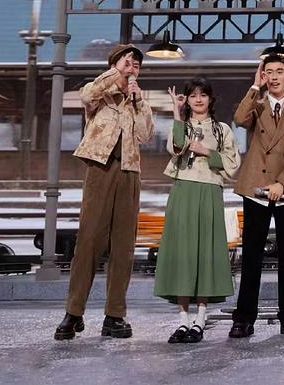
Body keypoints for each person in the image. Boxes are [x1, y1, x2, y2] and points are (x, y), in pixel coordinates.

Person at [55, 44, 155, 341]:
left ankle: (114, 315)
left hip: (129, 171)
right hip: (100, 167)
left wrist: (139, 100)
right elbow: (86, 95)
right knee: (89, 241)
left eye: (136, 64)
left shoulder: (138, 100)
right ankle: (74, 313)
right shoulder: (101, 93)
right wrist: (115, 74)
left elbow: (146, 134)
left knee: (123, 245)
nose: (132, 67)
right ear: (114, 65)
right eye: (127, 62)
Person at [228, 54, 284, 338]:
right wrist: (255, 87)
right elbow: (239, 119)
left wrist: (282, 183)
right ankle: (243, 318)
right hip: (255, 188)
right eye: (269, 72)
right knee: (252, 257)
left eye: (279, 72)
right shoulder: (257, 105)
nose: (274, 77)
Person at [156, 77, 242, 344]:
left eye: (202, 94)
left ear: (210, 99)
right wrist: (176, 111)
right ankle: (183, 320)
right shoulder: (181, 125)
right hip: (183, 189)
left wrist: (206, 151)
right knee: (182, 251)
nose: (198, 99)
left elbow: (233, 163)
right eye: (192, 95)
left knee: (205, 251)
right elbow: (176, 147)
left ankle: (200, 319)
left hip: (209, 191)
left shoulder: (222, 129)